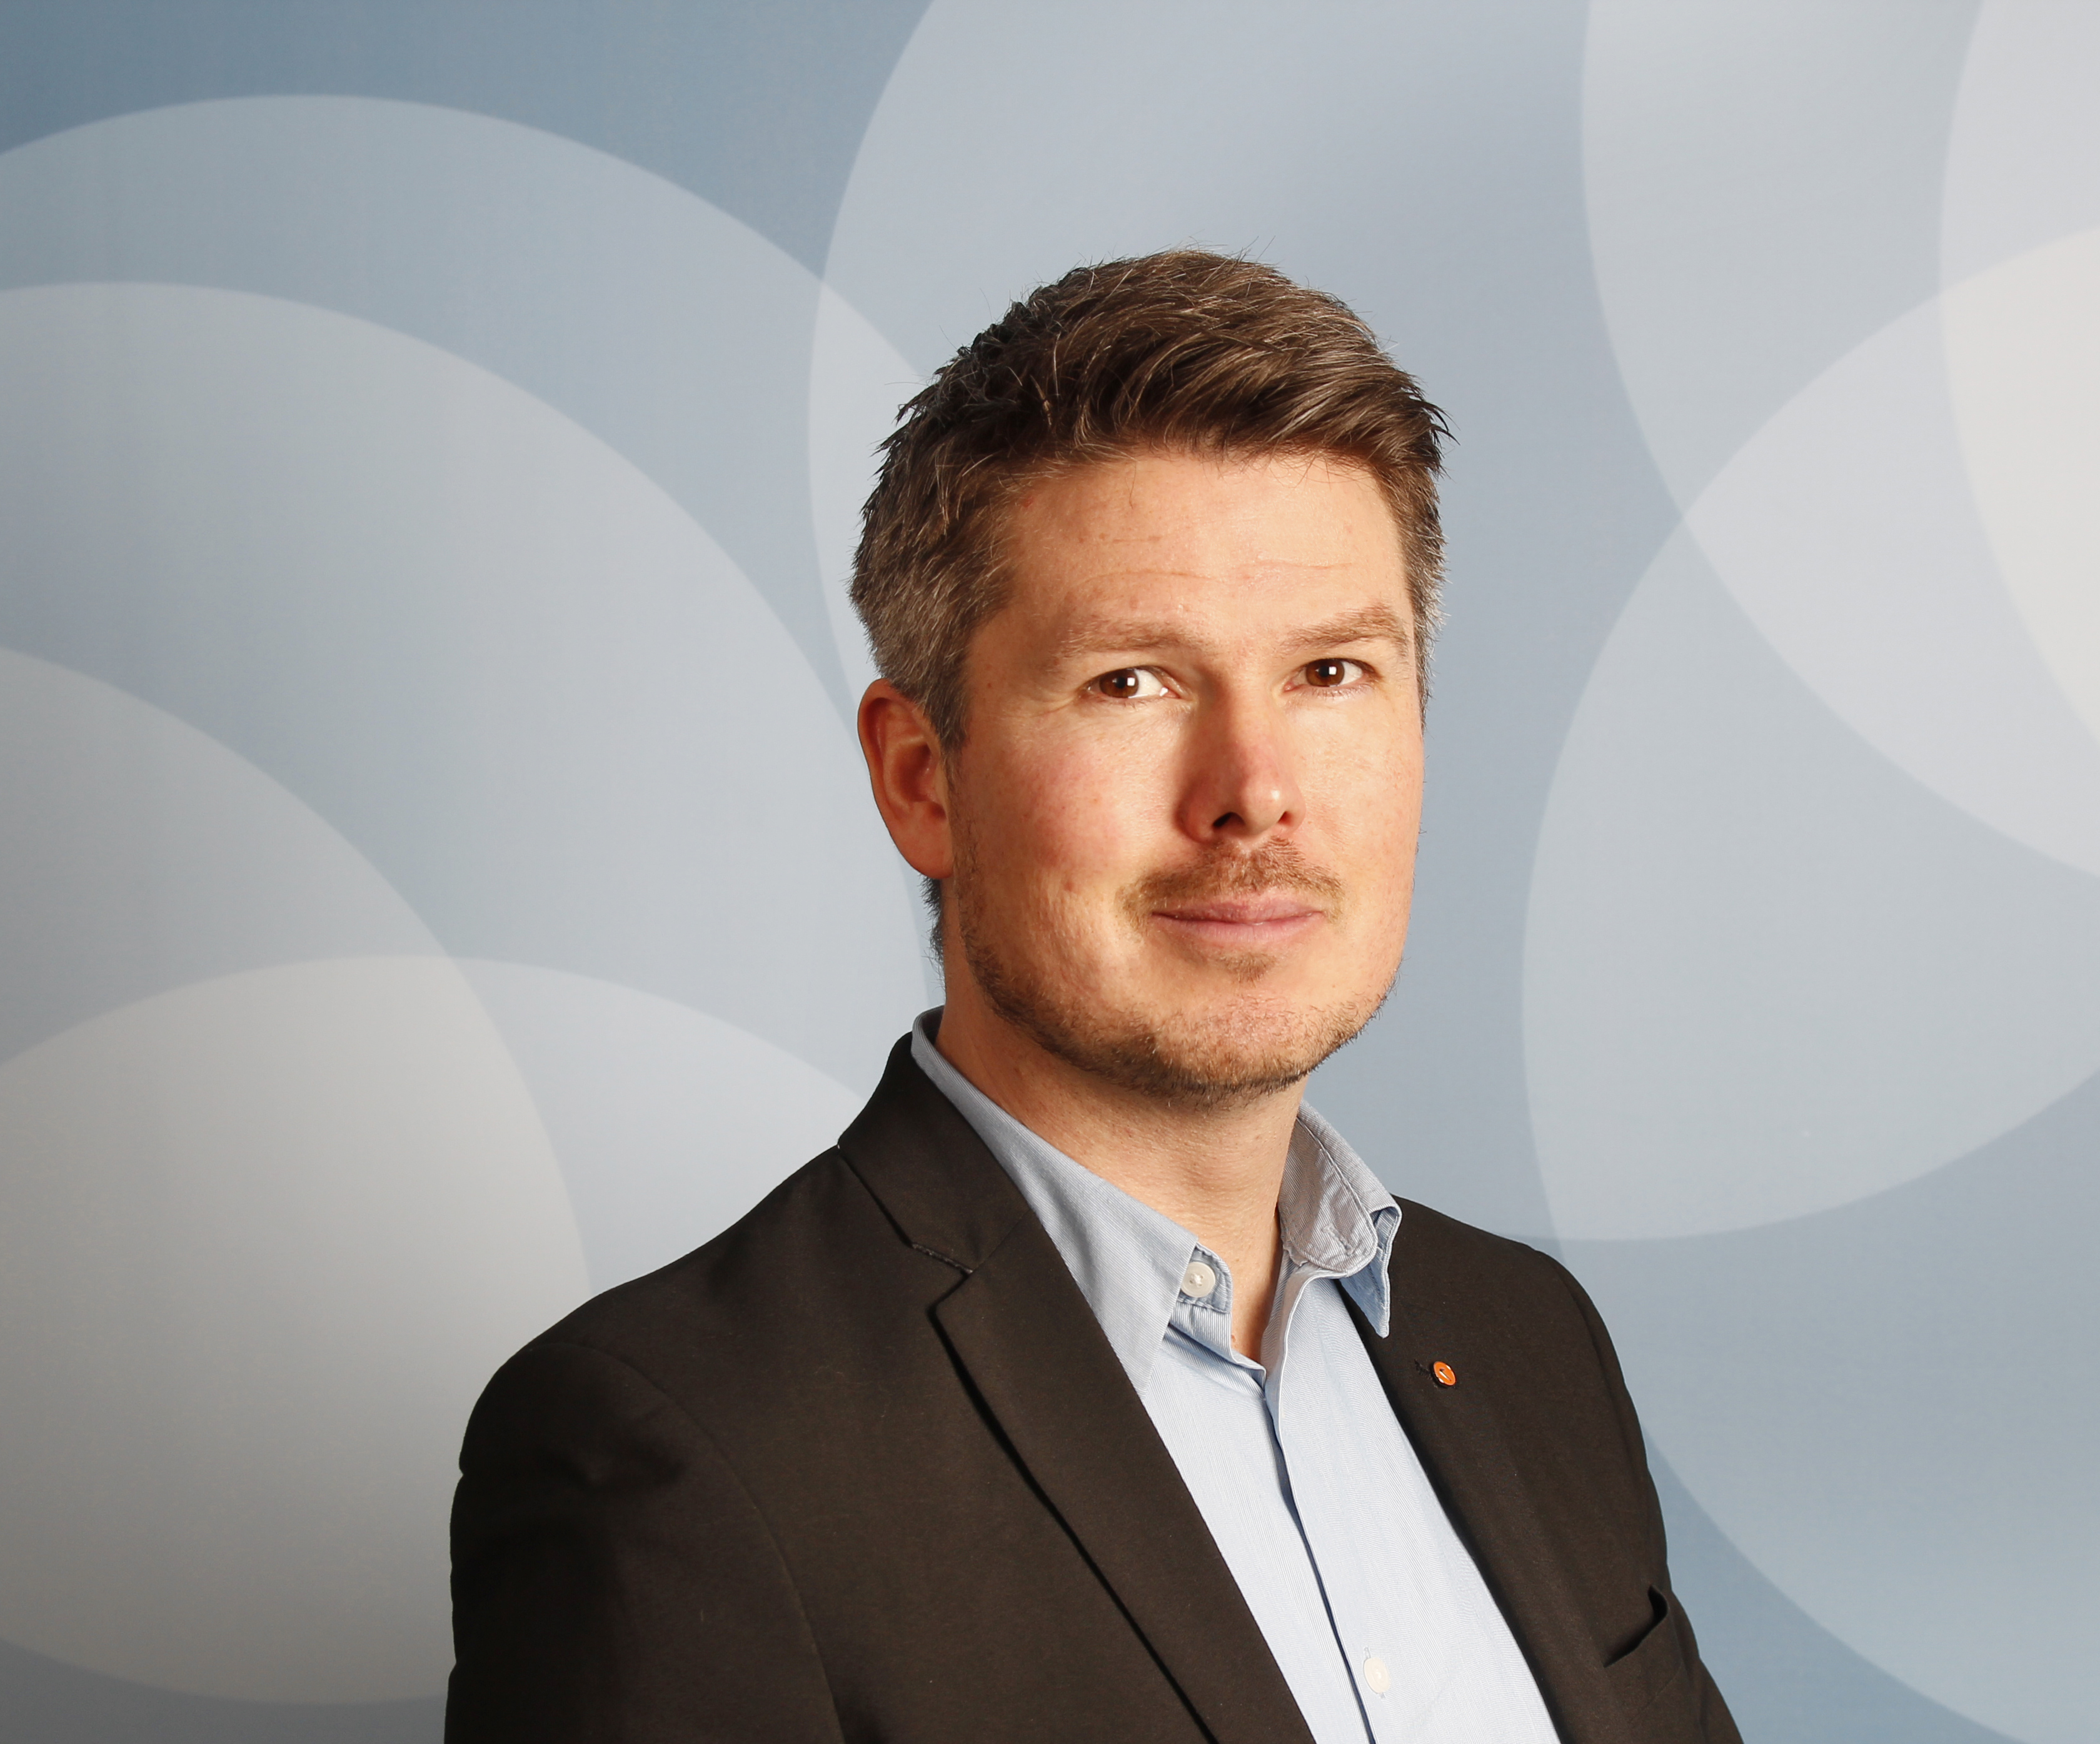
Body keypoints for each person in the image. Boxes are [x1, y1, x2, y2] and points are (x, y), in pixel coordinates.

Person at [446, 250, 1744, 1744]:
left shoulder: (1527, 1343)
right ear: (921, 779)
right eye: (1132, 682)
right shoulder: (679, 1451)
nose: (1254, 793)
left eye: (1331, 672)